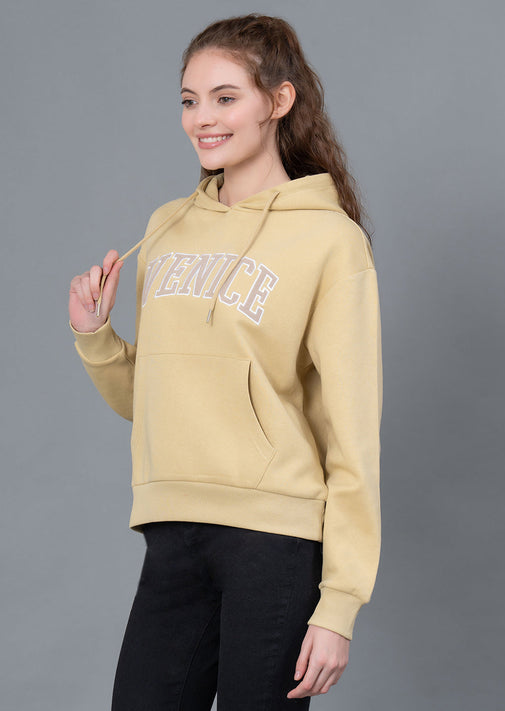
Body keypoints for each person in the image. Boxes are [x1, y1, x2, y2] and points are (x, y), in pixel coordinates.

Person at [68, 12, 383, 711]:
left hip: (275, 540)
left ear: (279, 100)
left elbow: (352, 434)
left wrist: (339, 603)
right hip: (172, 528)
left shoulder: (330, 241)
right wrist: (96, 338)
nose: (201, 118)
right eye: (189, 100)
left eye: (225, 97)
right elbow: (156, 396)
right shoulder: (167, 227)